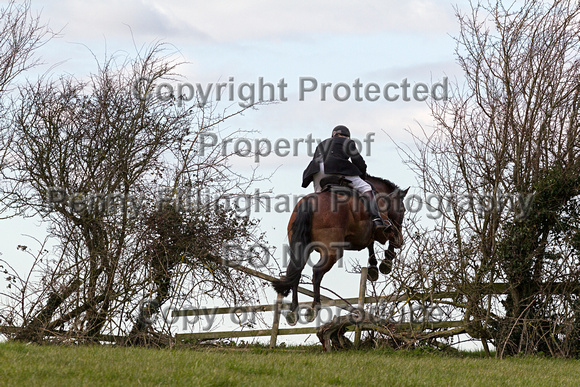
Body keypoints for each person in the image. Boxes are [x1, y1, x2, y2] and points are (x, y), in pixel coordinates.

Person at [302, 125, 390, 231]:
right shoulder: (348, 142)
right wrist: (362, 176)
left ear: (333, 135)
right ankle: (377, 219)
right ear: (347, 137)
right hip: (335, 167)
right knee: (366, 188)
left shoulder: (321, 144)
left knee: (319, 195)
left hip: (316, 170)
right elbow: (358, 162)